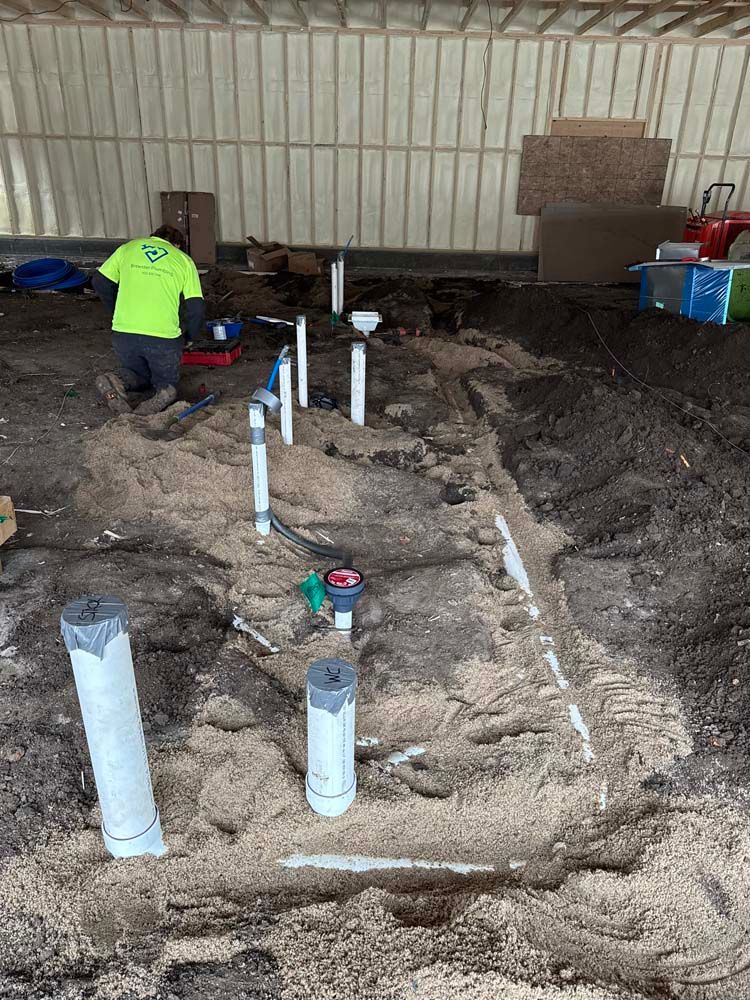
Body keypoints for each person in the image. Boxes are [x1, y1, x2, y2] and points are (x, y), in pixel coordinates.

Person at [92, 225, 205, 415]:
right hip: (163, 338)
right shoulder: (183, 260)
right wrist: (190, 337)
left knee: (138, 375)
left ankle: (115, 380)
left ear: (153, 237)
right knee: (167, 384)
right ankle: (160, 397)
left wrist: (116, 311)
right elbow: (196, 307)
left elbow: (100, 282)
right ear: (177, 244)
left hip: (124, 333)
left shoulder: (128, 249)